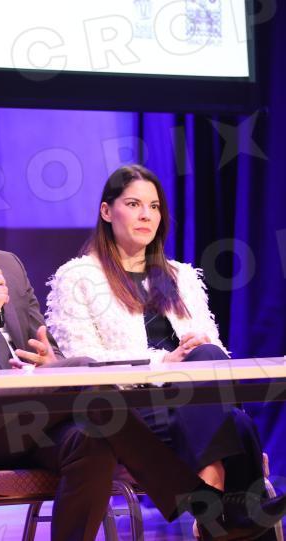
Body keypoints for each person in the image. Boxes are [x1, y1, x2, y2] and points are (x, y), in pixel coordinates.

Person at [0, 140, 286, 541]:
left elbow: (46, 349)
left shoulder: (5, 263)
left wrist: (50, 359)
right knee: (92, 381)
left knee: (93, 437)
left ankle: (208, 505)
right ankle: (208, 506)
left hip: (24, 413)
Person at [45, 163, 281, 539]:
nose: (146, 215)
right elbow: (83, 362)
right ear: (106, 211)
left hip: (192, 406)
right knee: (236, 427)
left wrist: (201, 345)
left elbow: (214, 355)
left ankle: (215, 504)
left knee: (214, 371)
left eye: (154, 207)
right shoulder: (78, 277)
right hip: (130, 411)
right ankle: (217, 502)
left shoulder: (181, 277)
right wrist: (162, 363)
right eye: (134, 204)